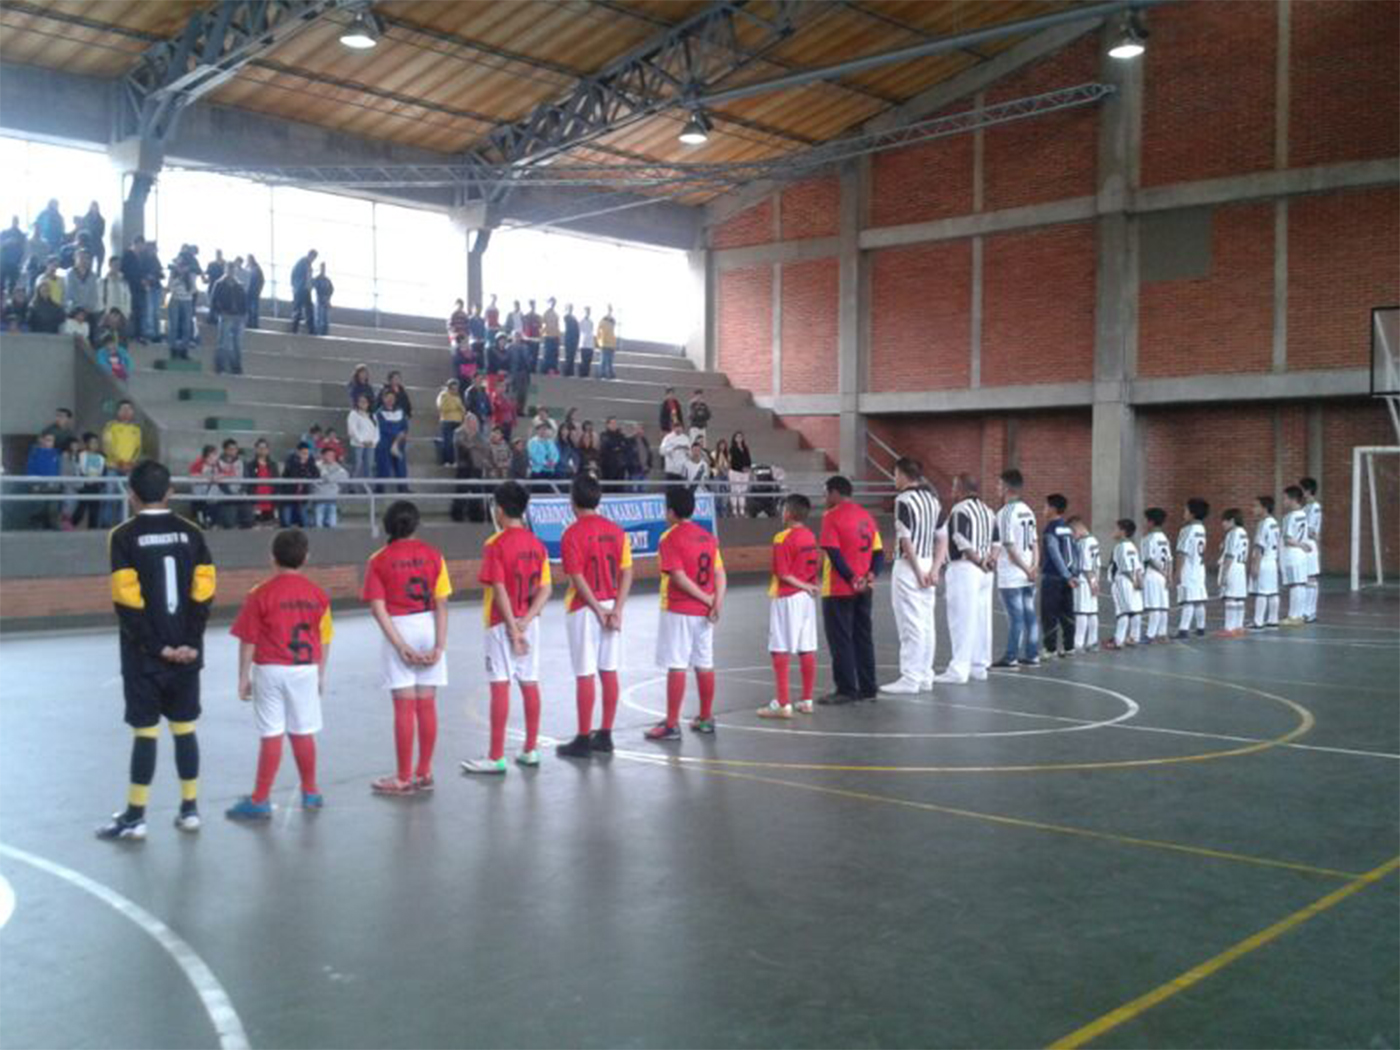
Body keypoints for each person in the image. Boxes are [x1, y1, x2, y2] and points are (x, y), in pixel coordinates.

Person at [96, 460, 215, 840]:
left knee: (145, 733)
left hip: (144, 657)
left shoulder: (122, 536)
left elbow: (126, 601)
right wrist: (188, 644)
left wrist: (159, 647)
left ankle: (136, 816)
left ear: (130, 495)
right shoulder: (193, 533)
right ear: (171, 493)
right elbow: (204, 593)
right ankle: (190, 809)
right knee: (184, 728)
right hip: (187, 655)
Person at [226, 529, 332, 820]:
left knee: (271, 733)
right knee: (303, 730)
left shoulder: (260, 593)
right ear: (306, 558)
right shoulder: (318, 595)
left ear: (272, 557)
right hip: (305, 668)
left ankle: (260, 799)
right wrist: (320, 674)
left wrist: (243, 677)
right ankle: (311, 791)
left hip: (270, 668)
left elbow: (248, 639)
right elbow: (322, 638)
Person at [462, 482, 553, 774]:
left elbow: (499, 589)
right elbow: (546, 589)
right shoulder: (536, 544)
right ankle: (530, 749)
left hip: (501, 624)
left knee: (500, 684)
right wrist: (526, 622)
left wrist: (513, 628)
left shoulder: (495, 544)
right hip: (531, 623)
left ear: (499, 510)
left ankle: (496, 755)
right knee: (530, 681)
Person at [363, 501, 451, 794]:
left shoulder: (379, 559)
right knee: (427, 704)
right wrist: (439, 645)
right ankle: (424, 772)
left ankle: (402, 777)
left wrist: (399, 645)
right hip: (428, 625)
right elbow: (442, 603)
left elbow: (378, 608)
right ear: (415, 525)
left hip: (399, 626)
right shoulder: (434, 555)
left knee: (404, 706)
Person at [556, 474, 634, 758]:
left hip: (584, 609)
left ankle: (583, 737)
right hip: (611, 604)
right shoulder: (617, 531)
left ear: (573, 501)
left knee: (585, 672)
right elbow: (627, 571)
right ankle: (606, 734)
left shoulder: (572, 534)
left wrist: (597, 609)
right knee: (608, 669)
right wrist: (617, 608)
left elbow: (577, 577)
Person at [645, 485, 725, 740]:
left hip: (679, 609)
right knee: (704, 663)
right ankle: (705, 717)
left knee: (677, 665)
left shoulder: (669, 538)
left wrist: (705, 599)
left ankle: (671, 724)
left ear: (670, 511)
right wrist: (715, 604)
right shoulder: (708, 537)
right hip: (705, 614)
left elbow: (677, 577)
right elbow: (719, 573)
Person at [818, 475, 883, 704]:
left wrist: (852, 578)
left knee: (841, 639)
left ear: (835, 492)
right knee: (863, 637)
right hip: (865, 588)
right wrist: (869, 576)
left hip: (838, 589)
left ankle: (846, 689)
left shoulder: (831, 517)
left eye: (826, 492)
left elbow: (833, 553)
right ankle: (868, 687)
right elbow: (879, 553)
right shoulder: (866, 516)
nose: (824, 497)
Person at [883, 457, 944, 692]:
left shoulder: (903, 500)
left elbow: (905, 540)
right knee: (926, 622)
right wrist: (935, 570)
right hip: (930, 561)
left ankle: (910, 678)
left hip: (910, 566)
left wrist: (918, 571)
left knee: (910, 622)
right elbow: (943, 538)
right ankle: (925, 674)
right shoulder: (933, 500)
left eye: (895, 474)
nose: (894, 479)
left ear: (902, 473)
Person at [758, 494, 821, 719]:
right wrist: (809, 585)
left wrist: (803, 584)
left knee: (780, 647)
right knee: (806, 647)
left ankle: (783, 703)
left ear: (788, 513)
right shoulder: (810, 536)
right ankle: (806, 700)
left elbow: (783, 574)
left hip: (788, 596)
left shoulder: (782, 538)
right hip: (806, 597)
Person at [934, 474, 998, 686]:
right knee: (981, 619)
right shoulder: (988, 511)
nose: (952, 491)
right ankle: (979, 666)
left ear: (960, 488)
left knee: (961, 619)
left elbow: (960, 538)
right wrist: (990, 560)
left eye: (953, 486)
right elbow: (997, 541)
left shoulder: (960, 509)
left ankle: (959, 669)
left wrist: (978, 560)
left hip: (965, 568)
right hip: (985, 572)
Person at [987, 469, 1039, 671]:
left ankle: (1011, 657)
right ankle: (1032, 654)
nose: (997, 488)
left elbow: (1008, 546)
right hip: (1028, 573)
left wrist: (1026, 569)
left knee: (1016, 617)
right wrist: (1034, 566)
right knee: (1029, 615)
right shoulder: (1028, 510)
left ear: (1007, 488)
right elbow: (1035, 543)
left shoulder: (1005, 513)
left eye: (999, 485)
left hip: (1013, 575)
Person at [1040, 493, 1076, 657]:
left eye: (1046, 506)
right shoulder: (1068, 528)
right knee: (1067, 613)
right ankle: (1069, 646)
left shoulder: (1051, 528)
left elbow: (1055, 554)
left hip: (1053, 577)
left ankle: (1050, 648)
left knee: (1049, 614)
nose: (1044, 509)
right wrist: (1072, 574)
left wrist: (1065, 574)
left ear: (1053, 509)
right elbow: (1075, 552)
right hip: (1068, 577)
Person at [101, 400, 142, 526]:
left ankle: (121, 524)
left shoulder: (136, 429)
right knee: (110, 496)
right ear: (118, 412)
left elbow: (138, 449)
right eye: (123, 409)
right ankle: (106, 525)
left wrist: (131, 463)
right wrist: (119, 461)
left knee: (124, 498)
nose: (126, 412)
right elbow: (107, 446)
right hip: (113, 466)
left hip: (128, 469)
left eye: (129, 409)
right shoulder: (110, 426)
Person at [1105, 519, 1144, 651]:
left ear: (1122, 532)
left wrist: (1132, 581)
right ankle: (1134, 637)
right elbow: (1138, 567)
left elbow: (1124, 568)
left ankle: (1118, 640)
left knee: (1122, 611)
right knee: (1134, 610)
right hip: (1133, 580)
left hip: (1123, 581)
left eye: (1116, 528)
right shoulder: (1133, 546)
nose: (1113, 531)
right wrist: (1138, 581)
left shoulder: (1120, 547)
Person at [1174, 498, 1209, 638]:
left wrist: (1177, 571)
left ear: (1192, 513)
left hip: (1188, 568)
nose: (1184, 513)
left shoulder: (1187, 530)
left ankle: (1183, 630)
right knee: (1199, 599)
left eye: (1186, 510)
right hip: (1199, 568)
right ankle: (1201, 627)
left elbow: (1182, 552)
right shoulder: (1202, 528)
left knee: (1187, 600)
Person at [1280, 485, 1312, 626]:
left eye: (1285, 498)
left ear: (1293, 499)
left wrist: (1300, 544)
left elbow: (1288, 539)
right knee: (1301, 584)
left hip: (1293, 553)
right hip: (1302, 555)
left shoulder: (1289, 517)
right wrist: (1303, 545)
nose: (1283, 501)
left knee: (1294, 585)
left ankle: (1293, 616)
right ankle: (1299, 615)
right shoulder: (1303, 514)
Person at [1140, 508, 1174, 643]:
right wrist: (1169, 575)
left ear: (1151, 522)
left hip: (1153, 574)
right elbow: (1170, 559)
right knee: (1162, 605)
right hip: (1164, 575)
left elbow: (1149, 559)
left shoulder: (1148, 538)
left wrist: (1162, 572)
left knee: (1154, 605)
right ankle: (1162, 633)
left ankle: (1150, 635)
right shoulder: (1164, 538)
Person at [451, 414, 491, 523]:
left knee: (476, 492)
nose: (474, 424)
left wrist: (473, 446)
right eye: (471, 422)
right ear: (466, 422)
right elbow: (461, 444)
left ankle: (476, 516)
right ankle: (457, 516)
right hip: (463, 466)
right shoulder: (458, 432)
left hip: (476, 466)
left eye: (475, 422)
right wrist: (474, 446)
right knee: (461, 491)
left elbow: (485, 447)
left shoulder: (480, 435)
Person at [1248, 495, 1281, 631]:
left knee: (1261, 593)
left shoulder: (1263, 524)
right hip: (1272, 561)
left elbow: (1259, 546)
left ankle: (1258, 621)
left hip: (1264, 561)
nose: (1253, 509)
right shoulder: (1274, 523)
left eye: (1256, 506)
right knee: (1273, 592)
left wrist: (1255, 565)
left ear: (1264, 508)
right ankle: (1273, 620)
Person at [1216, 509, 1249, 638]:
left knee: (1230, 597)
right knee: (1239, 598)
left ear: (1232, 521)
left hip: (1232, 567)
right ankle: (1238, 627)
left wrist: (1224, 574)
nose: (1222, 524)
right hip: (1241, 567)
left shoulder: (1232, 534)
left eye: (1225, 521)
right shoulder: (1244, 533)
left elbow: (1229, 555)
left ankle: (1229, 628)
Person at [1070, 517, 1101, 653]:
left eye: (1072, 533)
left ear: (1076, 529)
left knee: (1081, 612)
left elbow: (1086, 566)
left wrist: (1091, 583)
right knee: (1092, 611)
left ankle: (1078, 643)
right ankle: (1092, 641)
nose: (1072, 537)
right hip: (1093, 578)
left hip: (1084, 580)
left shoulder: (1082, 543)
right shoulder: (1094, 540)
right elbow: (1097, 565)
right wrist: (1096, 581)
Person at [212, 262, 248, 374]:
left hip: (238, 317)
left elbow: (244, 302)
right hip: (225, 315)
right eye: (229, 269)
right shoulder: (219, 284)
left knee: (237, 344)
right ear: (226, 270)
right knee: (223, 342)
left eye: (233, 270)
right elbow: (213, 300)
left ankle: (236, 367)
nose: (231, 272)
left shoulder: (239, 285)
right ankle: (221, 366)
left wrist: (243, 315)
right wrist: (220, 312)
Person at [24, 432, 62, 529]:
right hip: (38, 486)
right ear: (42, 440)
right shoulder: (34, 453)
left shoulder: (56, 453)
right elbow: (30, 469)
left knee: (52, 510)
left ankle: (52, 532)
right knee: (38, 509)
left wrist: (57, 483)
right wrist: (33, 484)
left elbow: (58, 470)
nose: (50, 442)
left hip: (53, 486)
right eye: (48, 440)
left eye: (52, 440)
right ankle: (37, 530)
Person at [70, 432, 107, 530]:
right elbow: (77, 470)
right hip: (84, 485)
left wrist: (100, 483)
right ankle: (70, 526)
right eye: (92, 442)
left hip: (96, 486)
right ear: (87, 444)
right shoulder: (81, 455)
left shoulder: (101, 458)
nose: (94, 445)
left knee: (94, 510)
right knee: (81, 508)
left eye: (96, 443)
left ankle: (92, 530)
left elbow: (103, 472)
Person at [375, 389, 409, 492]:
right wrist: (397, 436)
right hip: (384, 443)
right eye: (388, 398)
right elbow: (383, 428)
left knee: (401, 466)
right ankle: (380, 489)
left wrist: (402, 435)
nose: (390, 400)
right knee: (383, 466)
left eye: (393, 398)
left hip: (399, 443)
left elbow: (405, 426)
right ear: (383, 399)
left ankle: (403, 488)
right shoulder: (379, 413)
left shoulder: (400, 411)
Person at [280, 442, 319, 527]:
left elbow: (316, 474)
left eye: (307, 453)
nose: (305, 455)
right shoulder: (290, 461)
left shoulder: (310, 462)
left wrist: (307, 465)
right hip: (289, 492)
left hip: (303, 493)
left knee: (304, 516)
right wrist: (300, 464)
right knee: (287, 517)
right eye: (303, 453)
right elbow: (291, 474)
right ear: (298, 452)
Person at [213, 439, 249, 529]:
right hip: (226, 497)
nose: (233, 451)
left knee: (248, 519)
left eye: (235, 449)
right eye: (230, 449)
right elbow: (219, 483)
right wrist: (231, 494)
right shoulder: (218, 463)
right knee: (230, 522)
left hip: (240, 495)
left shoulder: (242, 463)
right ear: (225, 450)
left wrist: (241, 491)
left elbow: (246, 478)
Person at [166, 256, 197, 360]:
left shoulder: (190, 275)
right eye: (179, 266)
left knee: (186, 326)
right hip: (175, 300)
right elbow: (169, 287)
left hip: (187, 301)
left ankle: (184, 349)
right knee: (173, 325)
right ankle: (173, 348)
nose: (181, 268)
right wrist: (178, 278)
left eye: (183, 266)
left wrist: (188, 293)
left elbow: (194, 289)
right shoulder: (173, 274)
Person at [1300, 476, 1322, 623]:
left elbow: (1312, 530)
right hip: (1303, 544)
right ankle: (1305, 611)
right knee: (1305, 579)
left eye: (1302, 489)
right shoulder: (1305, 507)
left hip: (1309, 544)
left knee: (1311, 578)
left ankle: (1310, 611)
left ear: (1308, 491)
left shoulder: (1315, 507)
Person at [310, 447, 348, 528]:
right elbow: (324, 478)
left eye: (332, 455)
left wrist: (330, 478)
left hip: (332, 497)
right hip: (319, 497)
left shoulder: (338, 467)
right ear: (323, 456)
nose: (331, 457)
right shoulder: (316, 465)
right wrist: (334, 477)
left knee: (332, 523)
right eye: (328, 455)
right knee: (318, 523)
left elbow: (345, 477)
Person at [347, 393, 379, 487]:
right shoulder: (353, 414)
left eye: (365, 401)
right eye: (361, 401)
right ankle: (352, 487)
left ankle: (368, 487)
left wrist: (374, 441)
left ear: (368, 403)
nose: (363, 403)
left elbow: (377, 431)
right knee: (357, 465)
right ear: (357, 403)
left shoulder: (373, 415)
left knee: (369, 466)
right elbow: (352, 430)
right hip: (358, 445)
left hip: (371, 445)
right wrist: (362, 441)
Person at [245, 439, 280, 525]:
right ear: (256, 449)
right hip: (256, 500)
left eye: (264, 448)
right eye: (260, 448)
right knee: (256, 523)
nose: (262, 450)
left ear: (268, 450)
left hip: (270, 499)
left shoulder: (273, 465)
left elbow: (277, 481)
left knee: (270, 524)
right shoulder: (250, 465)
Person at [187, 444, 219, 528]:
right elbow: (192, 477)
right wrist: (207, 477)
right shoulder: (198, 464)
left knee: (212, 508)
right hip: (199, 494)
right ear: (207, 456)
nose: (216, 457)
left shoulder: (217, 465)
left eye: (216, 454)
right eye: (213, 455)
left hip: (211, 495)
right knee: (200, 509)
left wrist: (217, 477)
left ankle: (209, 522)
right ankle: (200, 522)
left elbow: (225, 474)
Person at [436, 379, 465, 466]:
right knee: (447, 442)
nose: (454, 390)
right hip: (447, 421)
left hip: (458, 422)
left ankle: (454, 461)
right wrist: (455, 406)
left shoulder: (457, 397)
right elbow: (441, 407)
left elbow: (462, 409)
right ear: (449, 388)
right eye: (453, 388)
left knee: (455, 443)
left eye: (456, 388)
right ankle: (447, 461)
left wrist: (461, 410)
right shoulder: (443, 395)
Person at [290, 249, 317, 334]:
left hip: (305, 289)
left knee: (308, 308)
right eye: (313, 257)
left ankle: (311, 329)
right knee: (299, 309)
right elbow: (294, 275)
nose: (313, 260)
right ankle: (295, 328)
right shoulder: (302, 263)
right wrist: (296, 286)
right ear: (310, 255)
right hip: (301, 289)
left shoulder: (307, 264)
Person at [599, 416, 629, 484]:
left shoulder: (621, 436)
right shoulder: (604, 435)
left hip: (620, 467)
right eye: (612, 423)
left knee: (620, 487)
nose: (614, 425)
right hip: (608, 467)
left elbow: (625, 447)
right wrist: (617, 448)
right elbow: (607, 448)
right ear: (607, 425)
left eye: (615, 423)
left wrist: (618, 448)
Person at [0, 216, 24, 296]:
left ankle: (10, 301)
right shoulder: (5, 232)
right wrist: (8, 242)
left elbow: (23, 250)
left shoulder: (21, 235)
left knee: (13, 285)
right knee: (1, 284)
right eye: (14, 221)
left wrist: (21, 263)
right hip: (3, 262)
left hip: (15, 263)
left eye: (16, 221)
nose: (15, 223)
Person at [312, 262, 334, 335]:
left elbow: (331, 290)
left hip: (326, 301)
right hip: (319, 300)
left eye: (324, 268)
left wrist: (328, 298)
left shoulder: (327, 280)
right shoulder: (317, 279)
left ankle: (325, 334)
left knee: (326, 319)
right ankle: (318, 333)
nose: (323, 269)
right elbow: (313, 286)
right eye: (322, 268)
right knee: (319, 318)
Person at [596, 305, 617, 379]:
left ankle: (610, 374)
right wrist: (599, 342)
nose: (610, 311)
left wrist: (614, 344)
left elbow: (613, 332)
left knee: (610, 361)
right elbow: (598, 331)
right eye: (609, 309)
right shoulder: (603, 320)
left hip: (611, 344)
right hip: (604, 343)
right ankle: (602, 374)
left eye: (610, 310)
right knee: (604, 360)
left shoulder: (613, 320)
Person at [541, 297, 561, 374]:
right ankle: (545, 369)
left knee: (554, 354)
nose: (553, 304)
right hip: (548, 336)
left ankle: (554, 369)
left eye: (554, 303)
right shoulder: (546, 313)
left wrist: (558, 336)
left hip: (555, 336)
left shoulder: (556, 314)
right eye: (551, 302)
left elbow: (557, 325)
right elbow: (542, 324)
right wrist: (543, 333)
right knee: (547, 354)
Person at [244, 254, 264, 328]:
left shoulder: (257, 269)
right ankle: (249, 323)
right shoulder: (247, 268)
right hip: (248, 292)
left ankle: (254, 324)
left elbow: (261, 281)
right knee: (248, 309)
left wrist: (259, 290)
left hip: (254, 292)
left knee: (254, 309)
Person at [562, 303, 581, 377]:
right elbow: (566, 319)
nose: (571, 309)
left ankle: (570, 370)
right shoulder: (567, 317)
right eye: (569, 308)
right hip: (569, 339)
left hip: (574, 340)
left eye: (571, 308)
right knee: (568, 355)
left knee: (572, 356)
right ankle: (567, 371)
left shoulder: (574, 318)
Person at [577, 305, 595, 378]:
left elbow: (591, 332)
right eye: (587, 311)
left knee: (588, 362)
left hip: (590, 345)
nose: (588, 312)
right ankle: (582, 376)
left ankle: (586, 376)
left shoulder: (591, 322)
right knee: (582, 362)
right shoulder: (581, 321)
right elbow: (579, 333)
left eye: (589, 311)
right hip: (583, 344)